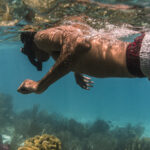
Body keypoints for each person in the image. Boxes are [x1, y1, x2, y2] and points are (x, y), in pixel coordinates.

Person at [17, 22, 148, 94]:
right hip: (140, 59)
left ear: (30, 45)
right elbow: (78, 48)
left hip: (140, 55)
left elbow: (78, 44)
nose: (36, 59)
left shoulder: (39, 38)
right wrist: (76, 70)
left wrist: (40, 85)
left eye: (30, 54)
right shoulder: (54, 47)